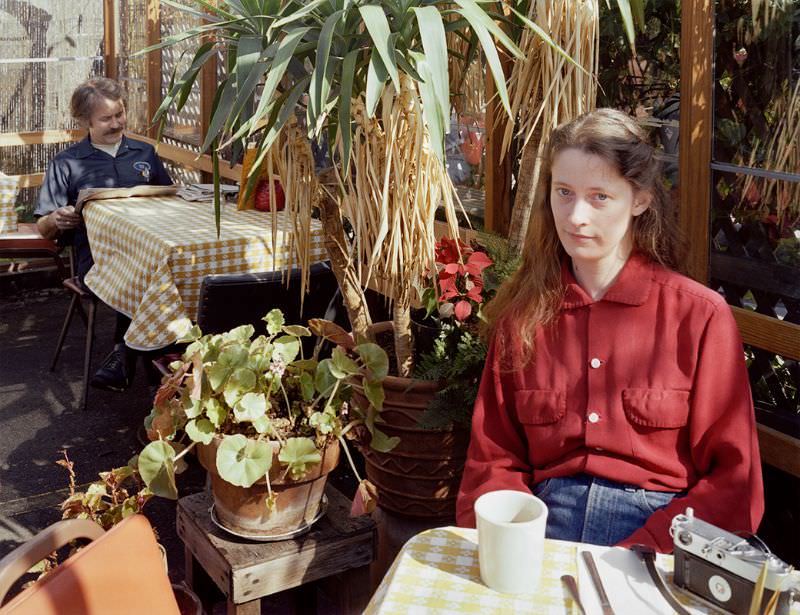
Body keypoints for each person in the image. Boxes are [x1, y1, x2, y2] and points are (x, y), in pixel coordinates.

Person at [456, 109, 764, 552]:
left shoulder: (699, 317)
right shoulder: (522, 316)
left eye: (599, 197)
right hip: (541, 530)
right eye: (564, 192)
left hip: (664, 533)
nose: (576, 216)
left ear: (640, 200)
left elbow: (735, 485)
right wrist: (514, 544)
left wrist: (643, 551)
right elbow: (493, 462)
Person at [35, 77, 173, 391]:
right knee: (145, 277)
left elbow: (169, 197)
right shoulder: (66, 163)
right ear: (85, 121)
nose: (116, 123)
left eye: (120, 114)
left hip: (147, 251)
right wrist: (56, 218)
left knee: (158, 272)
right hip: (96, 261)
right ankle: (152, 366)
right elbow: (43, 227)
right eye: (106, 118)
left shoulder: (145, 153)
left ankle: (126, 355)